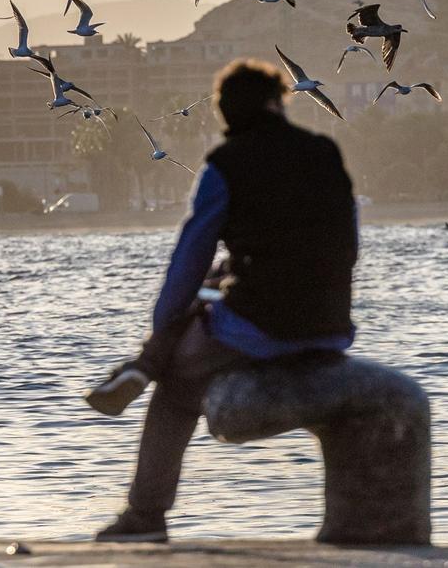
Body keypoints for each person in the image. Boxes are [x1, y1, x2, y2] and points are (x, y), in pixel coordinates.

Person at [88, 57, 359, 544]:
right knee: (222, 276)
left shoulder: (225, 166)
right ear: (279, 103)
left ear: (226, 113)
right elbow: (349, 245)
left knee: (174, 383)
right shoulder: (325, 151)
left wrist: (161, 331)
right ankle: (149, 361)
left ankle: (145, 514)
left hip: (263, 327)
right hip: (331, 324)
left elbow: (188, 259)